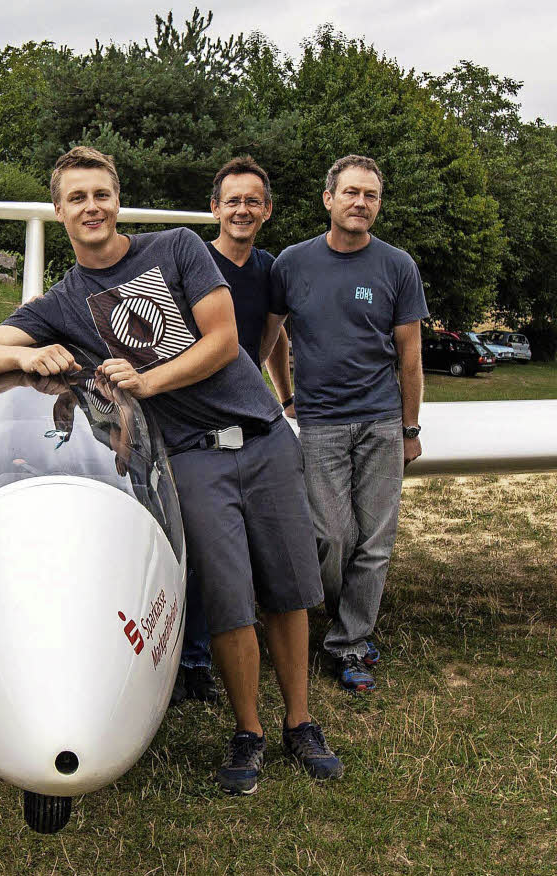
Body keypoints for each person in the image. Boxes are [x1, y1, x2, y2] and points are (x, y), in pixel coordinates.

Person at [0, 146, 342, 795]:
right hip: (189, 455)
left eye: (100, 194)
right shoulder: (62, 302)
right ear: (60, 212)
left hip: (262, 435)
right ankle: (247, 731)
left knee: (289, 589)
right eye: (76, 198)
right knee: (226, 599)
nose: (91, 207)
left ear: (117, 198)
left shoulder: (179, 248)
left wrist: (149, 380)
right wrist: (36, 352)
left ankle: (300, 722)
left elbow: (222, 341)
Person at [265, 154, 428, 692]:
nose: (361, 203)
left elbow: (410, 357)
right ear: (329, 199)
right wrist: (284, 398)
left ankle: (350, 643)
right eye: (352, 193)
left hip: (381, 421)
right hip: (322, 424)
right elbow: (272, 339)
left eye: (372, 196)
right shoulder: (292, 262)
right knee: (331, 535)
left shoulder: (397, 266)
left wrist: (410, 428)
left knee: (375, 541)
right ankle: (344, 615)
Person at [172, 155, 295, 707]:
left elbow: (272, 339)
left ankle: (259, 654)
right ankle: (194, 657)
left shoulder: (269, 271)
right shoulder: (191, 263)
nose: (242, 210)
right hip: (196, 425)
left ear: (266, 211)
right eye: (233, 201)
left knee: (263, 548)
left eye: (253, 201)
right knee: (204, 551)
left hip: (250, 420)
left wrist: (277, 395)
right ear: (214, 208)